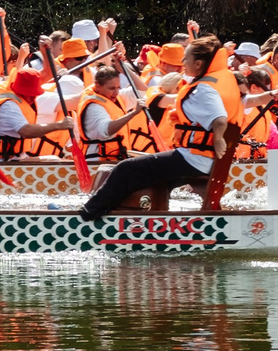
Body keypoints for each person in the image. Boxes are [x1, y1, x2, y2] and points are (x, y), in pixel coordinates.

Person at [79, 36, 234, 217]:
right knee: (150, 177)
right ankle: (149, 216)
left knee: (124, 169)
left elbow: (220, 119)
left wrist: (218, 138)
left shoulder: (204, 89)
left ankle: (88, 215)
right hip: (202, 158)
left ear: (198, 64)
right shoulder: (214, 82)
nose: (183, 62)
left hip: (195, 159)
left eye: (186, 58)